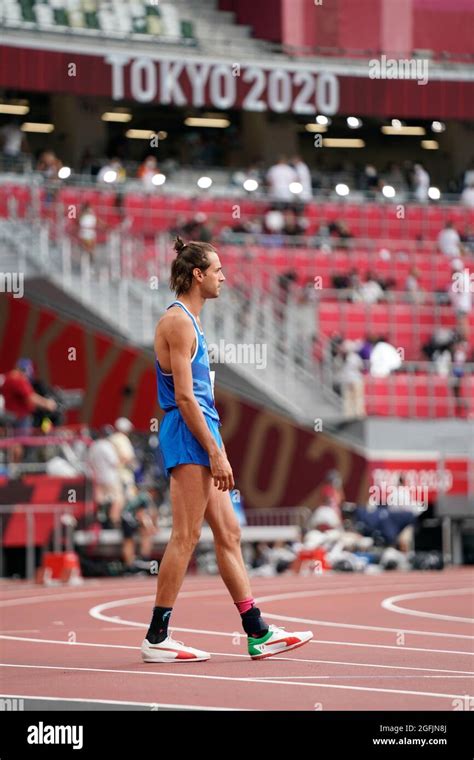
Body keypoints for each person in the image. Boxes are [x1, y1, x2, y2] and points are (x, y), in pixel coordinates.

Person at [141, 236, 313, 663]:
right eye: (217, 270)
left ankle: (257, 631)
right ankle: (157, 637)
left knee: (229, 533)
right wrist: (215, 451)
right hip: (189, 433)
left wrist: (217, 443)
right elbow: (184, 398)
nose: (224, 277)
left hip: (203, 432)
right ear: (197, 275)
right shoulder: (178, 322)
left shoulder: (193, 322)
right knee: (185, 535)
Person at [1, 358, 57, 431]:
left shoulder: (7, 377)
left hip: (10, 415)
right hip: (20, 417)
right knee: (22, 440)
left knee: (14, 440)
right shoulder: (18, 379)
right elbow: (31, 397)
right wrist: (47, 403)